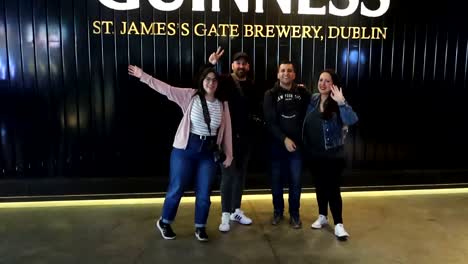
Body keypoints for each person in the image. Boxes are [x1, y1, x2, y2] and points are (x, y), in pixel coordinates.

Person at [128, 64, 233, 242]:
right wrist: (143, 76)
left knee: (204, 192)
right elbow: (166, 89)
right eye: (207, 79)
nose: (211, 83)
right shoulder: (190, 96)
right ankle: (165, 222)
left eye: (214, 80)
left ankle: (200, 226)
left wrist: (229, 154)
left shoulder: (222, 104)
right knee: (177, 187)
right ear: (202, 80)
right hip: (185, 149)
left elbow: (227, 131)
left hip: (208, 153)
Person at [207, 48, 264, 232]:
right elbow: (205, 79)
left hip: (247, 139)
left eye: (244, 63)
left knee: (241, 175)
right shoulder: (224, 81)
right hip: (227, 138)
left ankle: (236, 211)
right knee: (228, 175)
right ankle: (225, 215)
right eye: (237, 63)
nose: (241, 66)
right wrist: (212, 64)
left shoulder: (254, 85)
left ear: (248, 66)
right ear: (232, 65)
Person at [303, 69, 358, 240]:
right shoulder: (313, 99)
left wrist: (342, 103)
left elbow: (352, 120)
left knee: (332, 189)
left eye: (327, 81)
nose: (322, 84)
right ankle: (322, 216)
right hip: (314, 153)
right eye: (320, 80)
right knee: (319, 186)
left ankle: (339, 224)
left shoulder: (338, 102)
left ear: (333, 84)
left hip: (333, 156)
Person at [263, 61, 310, 229]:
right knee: (276, 181)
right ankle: (278, 211)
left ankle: (295, 214)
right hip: (276, 146)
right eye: (282, 70)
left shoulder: (302, 92)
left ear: (294, 75)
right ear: (278, 74)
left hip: (297, 148)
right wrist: (284, 139)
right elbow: (270, 122)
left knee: (295, 182)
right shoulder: (270, 94)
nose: (286, 73)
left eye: (289, 70)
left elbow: (313, 110)